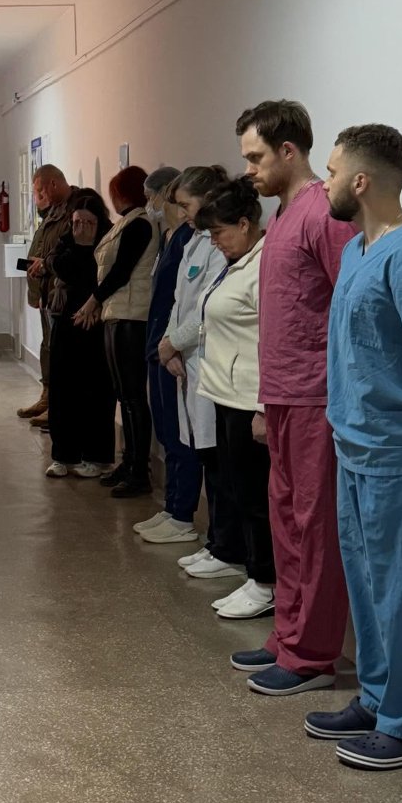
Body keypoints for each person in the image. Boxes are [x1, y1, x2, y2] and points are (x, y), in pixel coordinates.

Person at [304, 125, 402, 771]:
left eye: (330, 172)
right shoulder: (357, 250)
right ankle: (380, 698)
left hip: (398, 454)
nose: (322, 183)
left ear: (360, 181)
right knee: (368, 588)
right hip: (353, 446)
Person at [232, 100, 354, 695]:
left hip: (315, 397)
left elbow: (351, 304)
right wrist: (264, 400)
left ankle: (313, 654)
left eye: (256, 157)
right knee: (284, 520)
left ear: (288, 150)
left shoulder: (323, 214)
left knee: (314, 524)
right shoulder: (281, 216)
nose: (249, 169)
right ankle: (287, 635)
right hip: (281, 395)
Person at [194, 178, 275, 619]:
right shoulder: (237, 262)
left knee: (255, 496)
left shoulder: (263, 265)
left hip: (248, 400)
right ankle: (253, 572)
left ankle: (266, 582)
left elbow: (273, 338)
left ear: (245, 224)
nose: (215, 242)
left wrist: (263, 406)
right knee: (238, 490)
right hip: (226, 396)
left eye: (219, 233)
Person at [156, 167, 232, 571]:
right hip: (186, 359)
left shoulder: (220, 245)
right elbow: (179, 301)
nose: (183, 213)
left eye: (186, 204)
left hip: (208, 360)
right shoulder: (195, 240)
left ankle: (225, 546)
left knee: (216, 459)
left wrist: (174, 343)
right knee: (202, 451)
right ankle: (216, 541)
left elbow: (207, 308)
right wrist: (168, 344)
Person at [73, 167, 158, 498]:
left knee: (133, 397)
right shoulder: (127, 222)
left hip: (131, 317)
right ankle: (129, 461)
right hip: (117, 313)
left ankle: (139, 471)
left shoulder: (140, 224)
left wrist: (92, 301)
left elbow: (121, 271)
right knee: (124, 395)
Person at [138, 167, 205, 541]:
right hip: (160, 344)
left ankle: (182, 513)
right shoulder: (172, 237)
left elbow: (193, 305)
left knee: (182, 435)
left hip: (175, 348)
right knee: (166, 430)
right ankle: (171, 506)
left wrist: (172, 343)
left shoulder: (191, 239)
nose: (151, 204)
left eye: (153, 196)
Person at [44, 193, 115, 478]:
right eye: (77, 221)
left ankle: (96, 456)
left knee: (95, 389)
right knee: (63, 388)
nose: (81, 227)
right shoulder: (66, 241)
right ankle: (63, 455)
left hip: (97, 321)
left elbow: (101, 277)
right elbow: (59, 266)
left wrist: (94, 304)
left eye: (88, 222)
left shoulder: (109, 241)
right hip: (66, 320)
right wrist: (78, 244)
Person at [16, 166, 85, 430]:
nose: (38, 197)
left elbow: (66, 254)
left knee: (60, 352)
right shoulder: (53, 212)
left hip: (62, 293)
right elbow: (44, 246)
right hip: (47, 293)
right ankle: (48, 397)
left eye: (39, 191)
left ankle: (59, 407)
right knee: (48, 347)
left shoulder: (76, 210)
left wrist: (46, 265)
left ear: (53, 184)